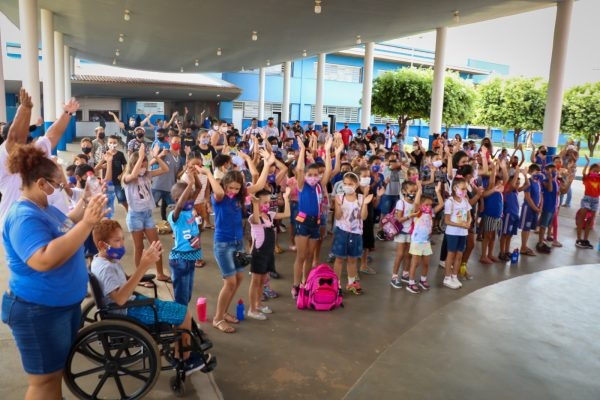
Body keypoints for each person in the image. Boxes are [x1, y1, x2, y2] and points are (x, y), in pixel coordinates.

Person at [2, 143, 106, 400]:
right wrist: (89, 223)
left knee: (53, 376)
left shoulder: (45, 209)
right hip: (38, 310)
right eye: (57, 185)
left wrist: (85, 204)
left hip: (58, 306)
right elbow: (43, 259)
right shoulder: (23, 216)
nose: (61, 188)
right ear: (40, 183)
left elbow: (67, 224)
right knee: (44, 382)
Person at [90, 220, 208, 375]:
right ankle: (184, 360)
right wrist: (143, 266)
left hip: (128, 306)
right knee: (184, 314)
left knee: (173, 309)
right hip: (126, 312)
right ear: (101, 245)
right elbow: (119, 299)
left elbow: (124, 282)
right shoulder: (106, 269)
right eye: (117, 240)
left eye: (122, 239)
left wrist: (142, 267)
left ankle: (181, 346)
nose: (122, 244)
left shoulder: (102, 260)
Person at [0, 88, 79, 234]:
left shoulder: (34, 153)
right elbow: (15, 139)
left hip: (56, 224)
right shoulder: (22, 214)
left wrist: (67, 114)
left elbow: (52, 135)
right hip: (25, 230)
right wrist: (25, 109)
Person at [122, 143, 171, 283]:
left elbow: (165, 169)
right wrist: (141, 155)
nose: (144, 164)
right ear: (134, 163)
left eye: (145, 162)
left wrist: (156, 156)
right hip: (135, 216)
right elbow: (133, 174)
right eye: (141, 162)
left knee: (156, 245)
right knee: (139, 247)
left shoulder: (147, 175)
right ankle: (140, 278)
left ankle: (160, 273)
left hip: (148, 214)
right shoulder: (127, 177)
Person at [291, 137, 333, 298]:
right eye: (311, 174)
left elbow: (328, 171)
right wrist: (302, 150)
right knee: (301, 256)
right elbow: (300, 170)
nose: (314, 177)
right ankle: (296, 285)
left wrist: (328, 151)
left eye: (316, 175)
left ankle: (305, 282)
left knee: (309, 256)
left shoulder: (319, 186)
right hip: (303, 222)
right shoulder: (302, 185)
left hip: (316, 223)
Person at [247, 188, 291, 320]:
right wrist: (255, 204)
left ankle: (258, 304)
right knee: (255, 282)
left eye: (268, 202)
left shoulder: (270, 215)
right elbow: (256, 217)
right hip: (258, 253)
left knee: (262, 281)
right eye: (263, 202)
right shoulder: (254, 218)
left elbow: (287, 214)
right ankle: (252, 309)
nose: (266, 205)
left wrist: (286, 197)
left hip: (268, 253)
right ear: (256, 203)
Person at [331, 172, 373, 295]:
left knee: (352, 260)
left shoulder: (361, 198)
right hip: (342, 232)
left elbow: (363, 217)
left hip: (356, 233)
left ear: (356, 184)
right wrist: (338, 205)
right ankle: (336, 284)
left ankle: (351, 283)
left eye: (350, 184)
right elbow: (338, 217)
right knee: (339, 259)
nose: (347, 186)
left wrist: (365, 203)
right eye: (345, 183)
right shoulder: (340, 197)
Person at [167, 170, 202, 305]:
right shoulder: (175, 215)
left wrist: (195, 176)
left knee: (186, 295)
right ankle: (180, 323)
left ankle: (182, 320)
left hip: (191, 257)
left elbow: (198, 188)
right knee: (181, 298)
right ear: (177, 199)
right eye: (188, 196)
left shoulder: (189, 211)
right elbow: (180, 205)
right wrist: (190, 183)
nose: (191, 199)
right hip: (180, 259)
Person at [406, 182, 444, 293]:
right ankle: (411, 283)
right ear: (421, 205)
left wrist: (437, 192)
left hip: (426, 242)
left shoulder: (431, 212)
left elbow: (441, 205)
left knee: (426, 263)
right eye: (426, 205)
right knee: (415, 263)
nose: (429, 207)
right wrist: (419, 190)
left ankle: (423, 280)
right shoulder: (417, 212)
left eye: (430, 205)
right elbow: (417, 202)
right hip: (417, 241)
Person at [443, 177, 472, 289]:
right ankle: (447, 277)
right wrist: (461, 225)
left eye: (466, 189)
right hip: (452, 233)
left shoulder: (465, 201)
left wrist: (468, 223)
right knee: (451, 254)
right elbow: (447, 220)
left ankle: (454, 276)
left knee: (459, 254)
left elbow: (469, 216)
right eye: (462, 188)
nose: (464, 191)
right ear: (455, 188)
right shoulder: (450, 202)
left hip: (463, 232)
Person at [390, 180, 418, 289]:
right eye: (411, 191)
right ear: (404, 191)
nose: (414, 193)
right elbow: (399, 219)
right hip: (401, 232)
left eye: (415, 191)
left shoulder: (415, 203)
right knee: (400, 254)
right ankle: (394, 276)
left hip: (411, 232)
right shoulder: (400, 203)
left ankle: (405, 274)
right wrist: (410, 216)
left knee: (409, 254)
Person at [480, 159, 507, 264]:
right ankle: (483, 255)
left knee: (493, 235)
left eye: (501, 183)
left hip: (498, 216)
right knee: (487, 236)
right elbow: (492, 181)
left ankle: (490, 254)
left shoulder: (500, 189)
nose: (500, 185)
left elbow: (505, 179)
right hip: (490, 215)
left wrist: (503, 167)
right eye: (498, 183)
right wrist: (494, 168)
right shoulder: (491, 187)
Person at [152, 135, 185, 221]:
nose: (177, 144)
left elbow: (177, 175)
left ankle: (167, 222)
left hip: (170, 187)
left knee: (173, 207)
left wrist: (185, 170)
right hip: (158, 186)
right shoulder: (165, 153)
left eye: (179, 142)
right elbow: (151, 163)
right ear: (170, 142)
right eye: (175, 142)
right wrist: (160, 155)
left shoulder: (180, 159)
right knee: (149, 207)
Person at [498, 168, 528, 261]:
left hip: (515, 215)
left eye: (519, 183)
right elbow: (511, 185)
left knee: (510, 234)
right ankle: (502, 252)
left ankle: (507, 251)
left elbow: (527, 185)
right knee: (505, 234)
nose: (518, 185)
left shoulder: (515, 191)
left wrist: (525, 175)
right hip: (508, 215)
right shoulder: (508, 190)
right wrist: (517, 173)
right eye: (516, 183)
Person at [95, 135, 128, 211]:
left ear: (118, 144)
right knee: (105, 200)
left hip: (117, 182)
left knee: (122, 199)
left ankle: (128, 213)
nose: (112, 144)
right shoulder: (104, 153)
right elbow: (96, 168)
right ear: (107, 143)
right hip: (106, 182)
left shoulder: (120, 154)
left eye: (114, 142)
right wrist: (102, 162)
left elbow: (126, 166)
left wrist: (122, 174)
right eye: (110, 142)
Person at [576, 156, 600, 249]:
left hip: (596, 200)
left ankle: (585, 240)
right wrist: (587, 163)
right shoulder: (587, 178)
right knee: (582, 219)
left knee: (590, 221)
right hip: (587, 199)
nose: (596, 173)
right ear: (590, 171)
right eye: (594, 171)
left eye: (598, 172)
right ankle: (579, 239)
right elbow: (583, 173)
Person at [519, 164, 543, 256]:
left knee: (529, 228)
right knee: (526, 227)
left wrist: (540, 206)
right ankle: (523, 247)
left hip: (535, 208)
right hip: (528, 208)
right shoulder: (528, 181)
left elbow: (540, 194)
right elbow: (528, 197)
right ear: (531, 172)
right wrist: (535, 208)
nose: (538, 174)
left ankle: (524, 246)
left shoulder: (537, 182)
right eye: (537, 172)